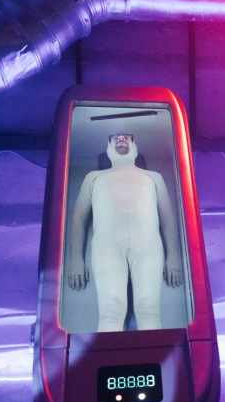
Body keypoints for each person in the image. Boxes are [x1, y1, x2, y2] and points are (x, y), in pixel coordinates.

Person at [66, 132, 183, 331]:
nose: (121, 139)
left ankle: (153, 352)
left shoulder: (153, 177)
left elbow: (168, 218)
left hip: (148, 245)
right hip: (107, 246)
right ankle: (108, 353)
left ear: (134, 145)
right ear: (108, 147)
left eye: (126, 137)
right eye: (115, 138)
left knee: (149, 309)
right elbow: (78, 217)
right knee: (110, 309)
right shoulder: (93, 178)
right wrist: (75, 259)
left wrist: (173, 256)